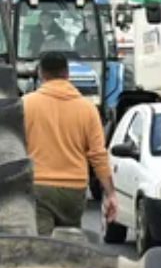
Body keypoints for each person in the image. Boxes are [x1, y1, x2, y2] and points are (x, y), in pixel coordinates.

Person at [22, 51, 115, 237]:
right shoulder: (87, 109)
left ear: (41, 74)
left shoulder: (25, 105)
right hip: (74, 190)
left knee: (43, 247)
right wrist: (110, 193)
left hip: (38, 186)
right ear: (67, 74)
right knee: (68, 244)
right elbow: (98, 154)